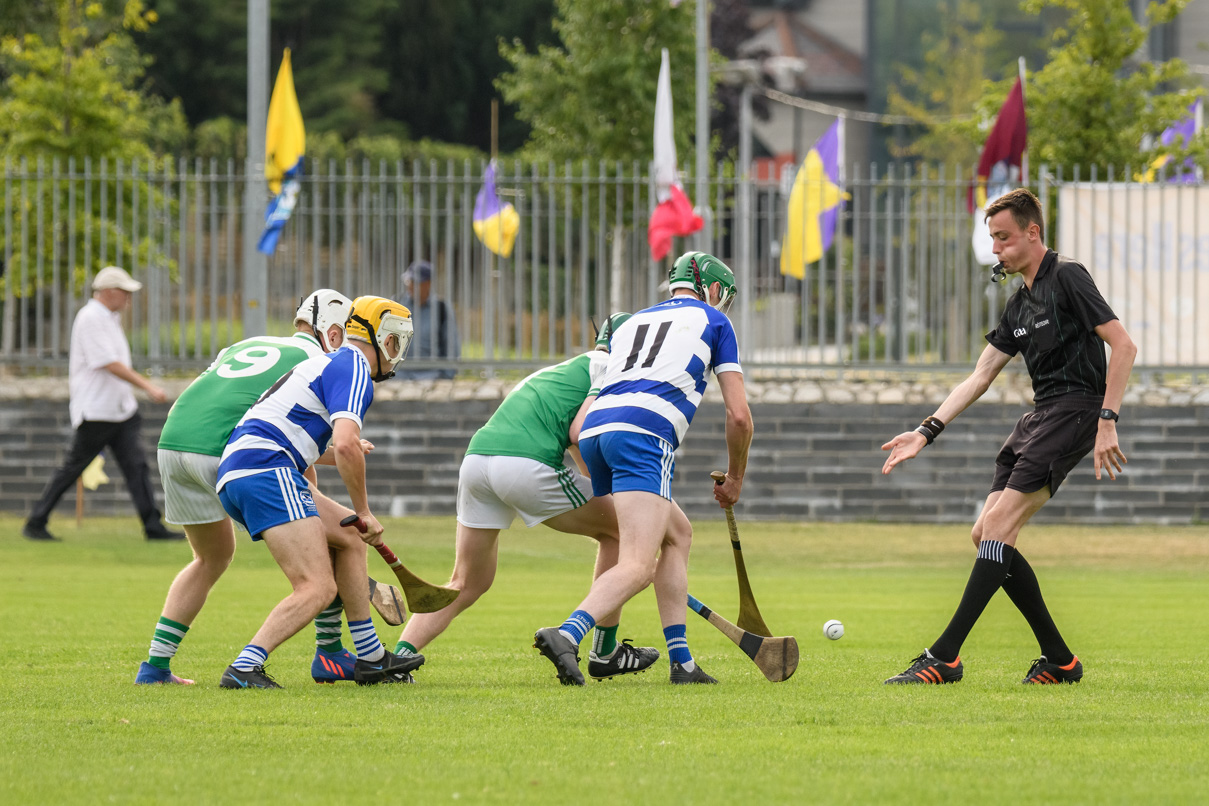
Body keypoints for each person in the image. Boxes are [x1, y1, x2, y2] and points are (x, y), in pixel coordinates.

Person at [880, 187, 1137, 686]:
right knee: (985, 534)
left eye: (1003, 238)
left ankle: (945, 657)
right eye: (992, 239)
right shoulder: (1019, 305)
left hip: (1076, 412)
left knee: (996, 529)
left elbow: (1123, 346)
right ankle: (1061, 661)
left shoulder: (1067, 276)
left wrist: (1108, 420)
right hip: (1040, 417)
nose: (995, 250)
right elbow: (978, 377)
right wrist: (924, 432)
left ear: (1032, 232)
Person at [393, 312, 668, 681]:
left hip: (478, 461)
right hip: (524, 463)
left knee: (468, 581)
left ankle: (397, 660)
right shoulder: (611, 370)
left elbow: (574, 444)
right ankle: (605, 651)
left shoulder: (570, 368)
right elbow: (581, 429)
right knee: (621, 531)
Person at [136, 290, 387, 686]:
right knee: (335, 539)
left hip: (172, 443)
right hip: (229, 452)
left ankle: (155, 667)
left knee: (210, 558)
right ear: (335, 334)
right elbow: (290, 449)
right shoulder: (322, 360)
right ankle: (330, 651)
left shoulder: (248, 344)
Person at [533, 252, 753, 686]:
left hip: (595, 432)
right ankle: (567, 633)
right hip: (644, 433)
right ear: (710, 289)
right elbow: (740, 417)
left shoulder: (630, 321)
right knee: (638, 564)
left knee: (677, 534)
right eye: (721, 296)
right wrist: (736, 477)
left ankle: (681, 662)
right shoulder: (715, 322)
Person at [215, 295, 424, 689]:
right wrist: (365, 510)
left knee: (347, 537)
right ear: (378, 338)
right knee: (317, 586)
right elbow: (345, 445)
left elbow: (297, 434)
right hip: (264, 470)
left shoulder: (325, 362)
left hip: (247, 468)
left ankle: (371, 657)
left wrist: (339, 459)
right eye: (395, 342)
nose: (397, 353)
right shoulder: (355, 367)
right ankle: (245, 667)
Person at [23, 266, 183, 543]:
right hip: (97, 410)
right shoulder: (90, 318)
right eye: (125, 292)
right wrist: (147, 387)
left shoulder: (109, 318)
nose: (129, 298)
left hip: (120, 409)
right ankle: (36, 521)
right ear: (109, 292)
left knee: (136, 467)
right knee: (73, 468)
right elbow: (108, 363)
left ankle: (152, 526)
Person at [395, 260, 459, 380]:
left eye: (415, 282)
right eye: (409, 281)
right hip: (398, 377)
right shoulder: (397, 304)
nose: (410, 286)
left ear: (427, 284)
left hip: (431, 377)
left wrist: (445, 378)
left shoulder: (442, 309)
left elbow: (452, 347)